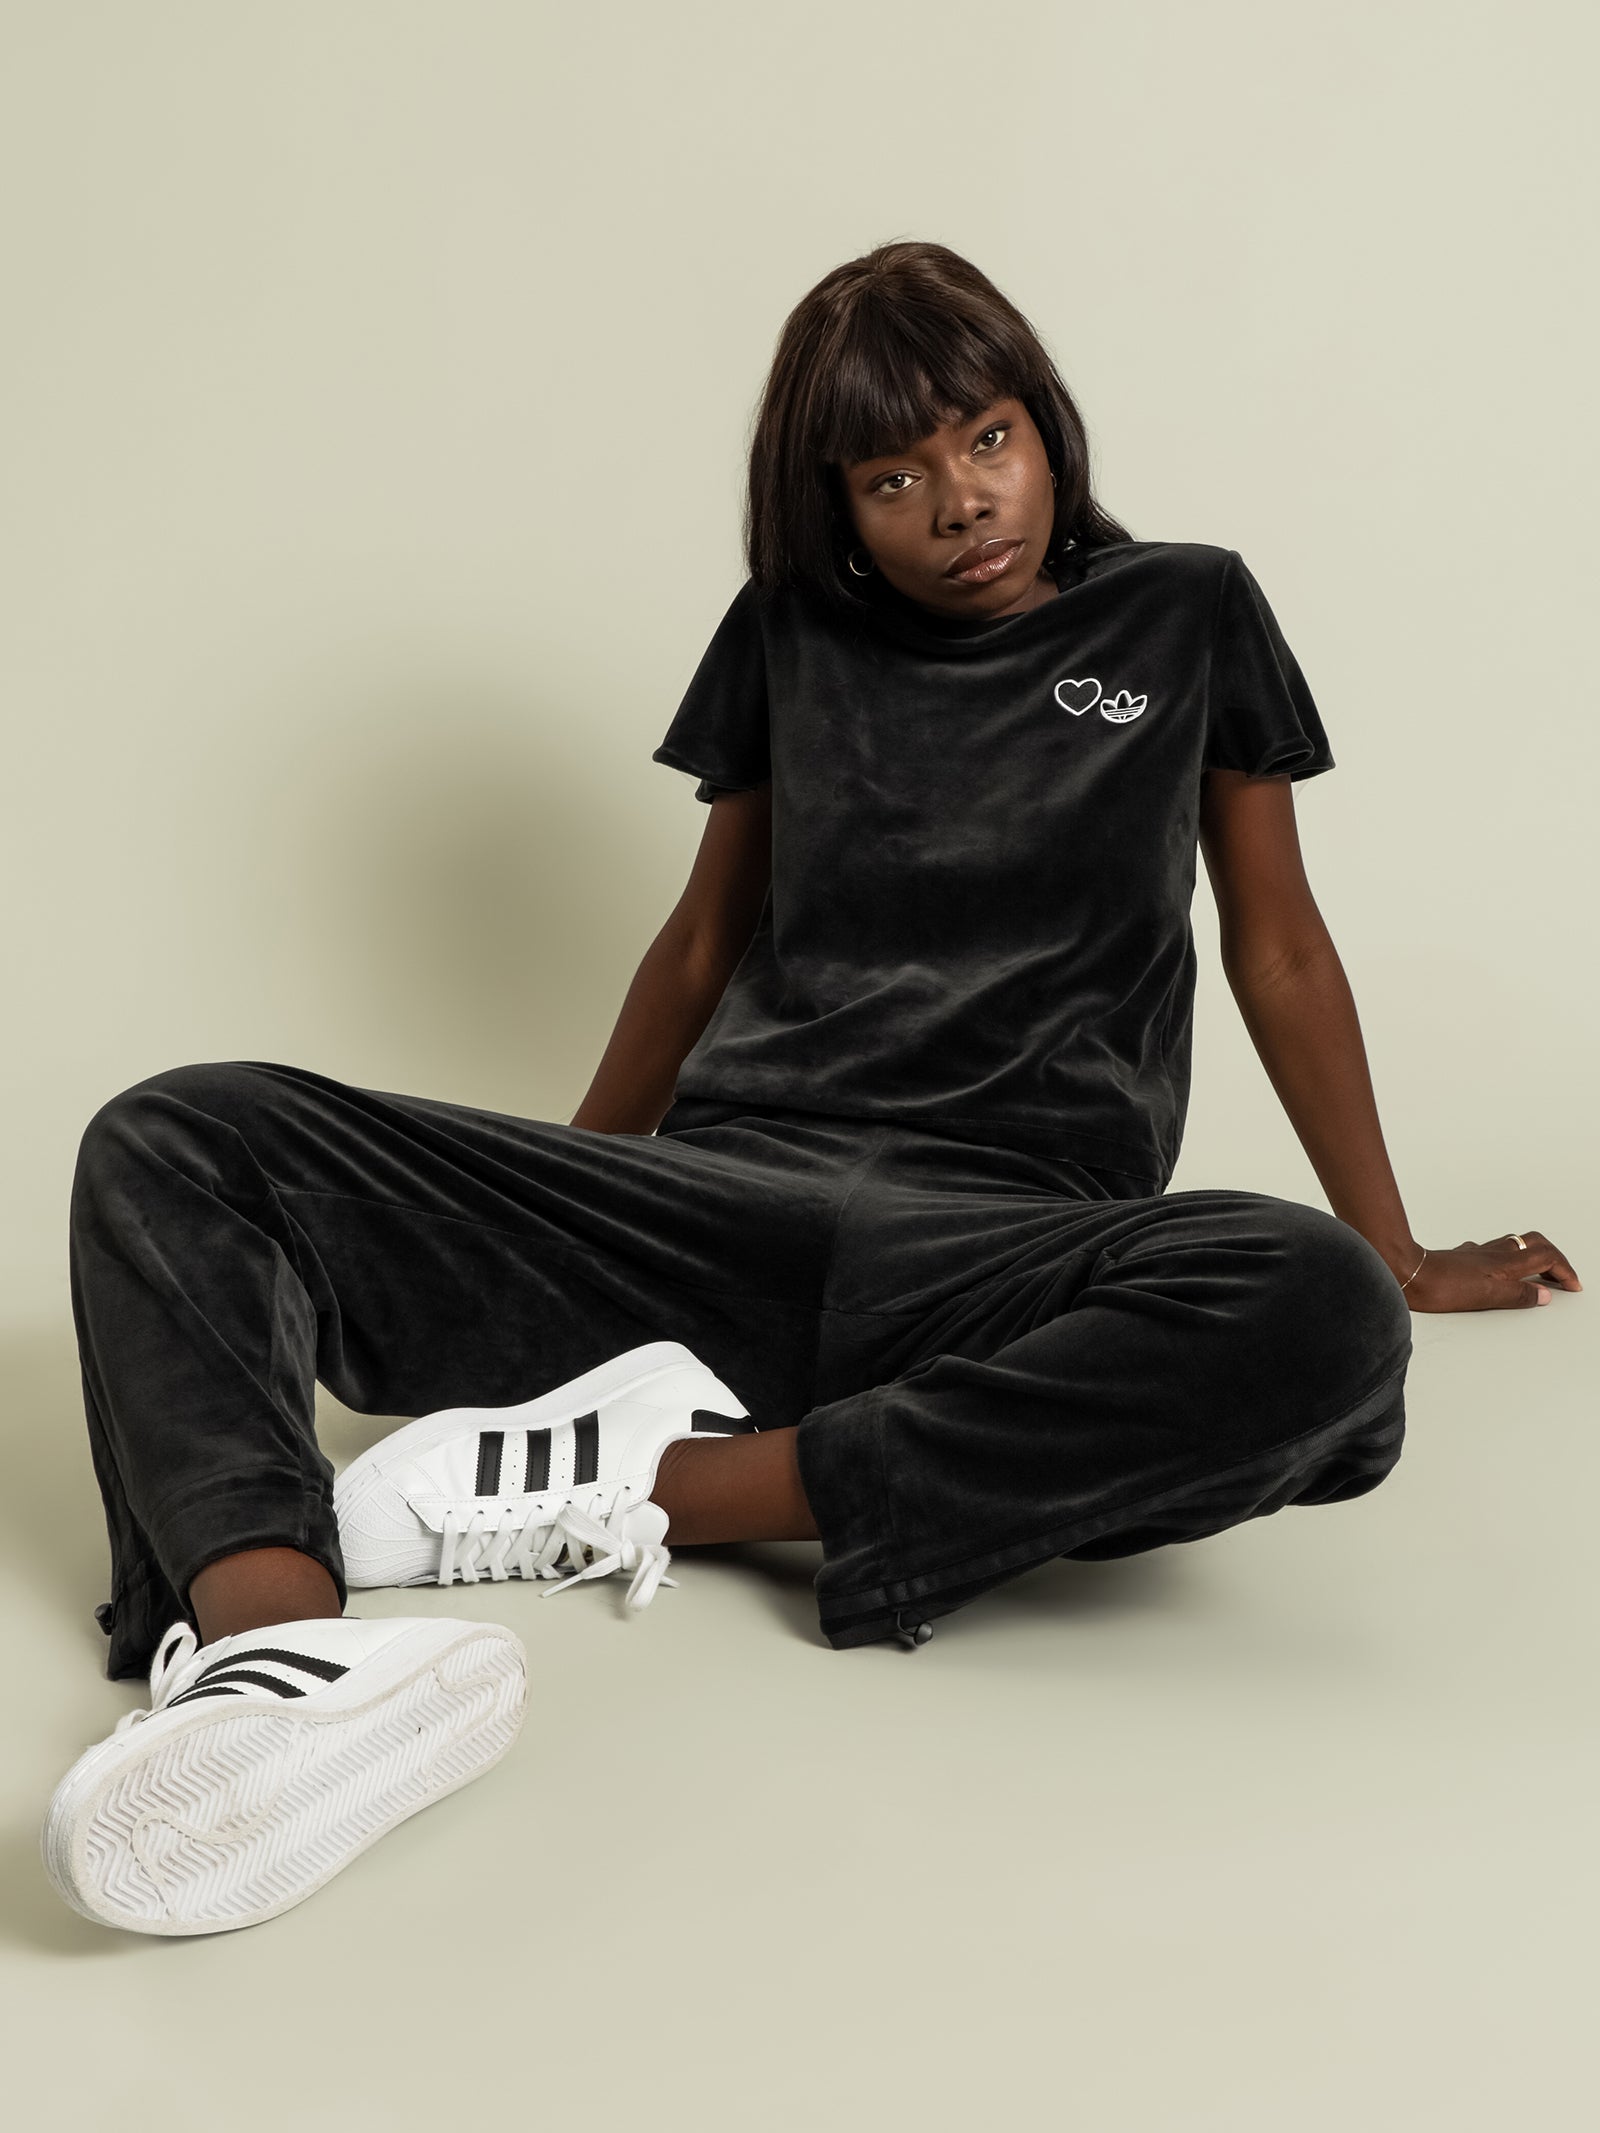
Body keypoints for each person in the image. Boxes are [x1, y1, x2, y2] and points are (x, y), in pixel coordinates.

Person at [44, 240, 1580, 1938]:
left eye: (987, 440)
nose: (961, 503)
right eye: (894, 478)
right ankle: (278, 1659)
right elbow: (700, 946)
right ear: (836, 505)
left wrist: (1402, 1250)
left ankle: (634, 1491)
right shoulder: (790, 634)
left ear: (1046, 426)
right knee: (179, 1134)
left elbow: (1277, 947)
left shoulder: (1187, 611)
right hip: (717, 1208)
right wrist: (558, 1211)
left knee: (1324, 1310)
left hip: (995, 1256)